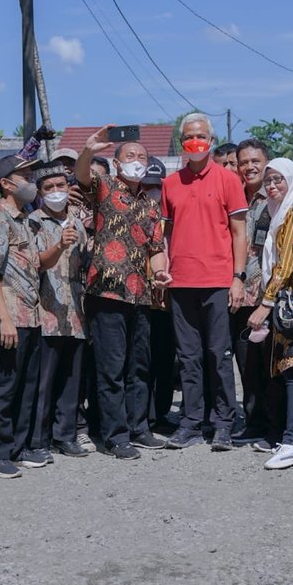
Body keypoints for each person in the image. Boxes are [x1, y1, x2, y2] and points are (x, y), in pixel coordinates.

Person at [77, 130, 171, 459]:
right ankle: (115, 435)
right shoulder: (105, 188)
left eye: (142, 158)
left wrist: (160, 272)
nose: (136, 163)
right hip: (107, 292)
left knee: (139, 366)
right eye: (130, 157)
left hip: (140, 295)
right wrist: (88, 150)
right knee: (111, 368)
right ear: (117, 163)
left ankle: (139, 427)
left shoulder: (150, 205)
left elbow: (156, 247)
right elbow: (82, 174)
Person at [162, 113, 248, 451]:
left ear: (211, 140)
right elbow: (165, 235)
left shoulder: (228, 180)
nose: (194, 141)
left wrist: (238, 278)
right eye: (188, 136)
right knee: (188, 356)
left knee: (218, 354)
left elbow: (239, 233)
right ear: (181, 140)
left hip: (217, 280)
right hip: (181, 282)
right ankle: (191, 423)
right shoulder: (171, 183)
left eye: (200, 135)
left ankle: (223, 423)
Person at [0, 155, 52, 475]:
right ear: (6, 183)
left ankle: (18, 448)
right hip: (8, 317)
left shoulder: (24, 219)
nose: (31, 181)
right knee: (2, 386)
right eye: (25, 175)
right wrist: (4, 317)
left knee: (26, 385)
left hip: (30, 314)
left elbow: (34, 266)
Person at [244, 158, 293, 468]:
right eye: (268, 181)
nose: (272, 186)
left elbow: (284, 266)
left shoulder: (292, 213)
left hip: (291, 301)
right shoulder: (276, 214)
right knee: (287, 368)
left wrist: (265, 303)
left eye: (278, 180)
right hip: (285, 299)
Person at [29, 163, 89, 458]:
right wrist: (58, 246)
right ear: (39, 193)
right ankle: (39, 439)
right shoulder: (33, 222)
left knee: (70, 377)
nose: (55, 192)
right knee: (45, 380)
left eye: (60, 186)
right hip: (46, 311)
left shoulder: (77, 222)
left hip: (75, 313)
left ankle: (65, 435)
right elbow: (36, 263)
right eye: (48, 188)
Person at [232, 137, 276, 444]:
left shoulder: (275, 196)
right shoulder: (234, 197)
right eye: (243, 162)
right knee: (246, 363)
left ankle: (277, 426)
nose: (249, 167)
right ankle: (254, 421)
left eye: (254, 161)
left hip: (268, 295)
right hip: (237, 295)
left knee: (270, 364)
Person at [140, 155, 176, 431]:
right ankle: (142, 415)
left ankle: (160, 414)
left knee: (165, 360)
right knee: (141, 361)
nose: (152, 192)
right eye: (146, 186)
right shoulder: (134, 216)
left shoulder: (172, 220)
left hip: (168, 301)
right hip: (140, 301)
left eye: (156, 187)